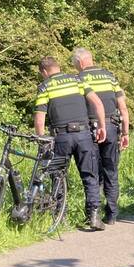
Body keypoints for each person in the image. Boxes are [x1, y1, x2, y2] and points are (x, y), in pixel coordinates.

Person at [33, 56, 108, 231]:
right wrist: (102, 126)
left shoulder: (45, 86)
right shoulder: (78, 80)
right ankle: (94, 216)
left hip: (61, 137)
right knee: (90, 175)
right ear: (58, 67)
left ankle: (61, 217)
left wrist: (41, 139)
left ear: (44, 72)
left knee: (58, 175)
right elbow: (97, 102)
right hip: (83, 134)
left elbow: (39, 118)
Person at [71, 48, 129, 225]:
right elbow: (123, 107)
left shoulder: (80, 78)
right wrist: (126, 132)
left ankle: (93, 213)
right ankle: (111, 214)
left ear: (80, 63)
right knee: (111, 170)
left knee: (92, 170)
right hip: (112, 126)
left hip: (91, 127)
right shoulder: (109, 76)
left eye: (74, 64)